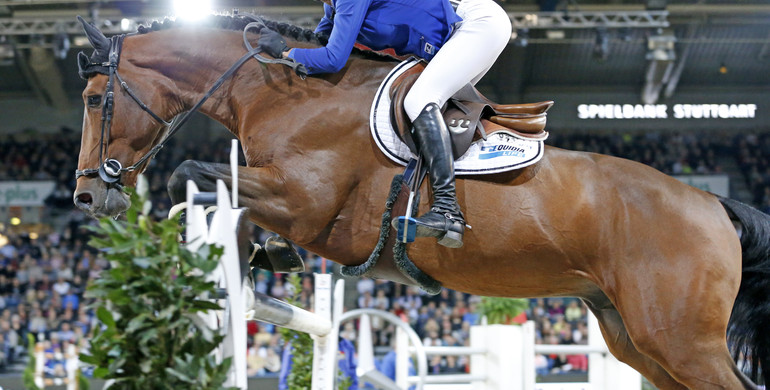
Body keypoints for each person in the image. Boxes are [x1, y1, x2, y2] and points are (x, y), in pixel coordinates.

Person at [258, 0, 512, 248]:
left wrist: (285, 52)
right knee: (420, 109)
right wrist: (288, 49)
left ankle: (447, 211)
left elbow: (333, 59)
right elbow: (319, 46)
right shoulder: (333, 6)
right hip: (459, 34)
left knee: (419, 100)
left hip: (476, 25)